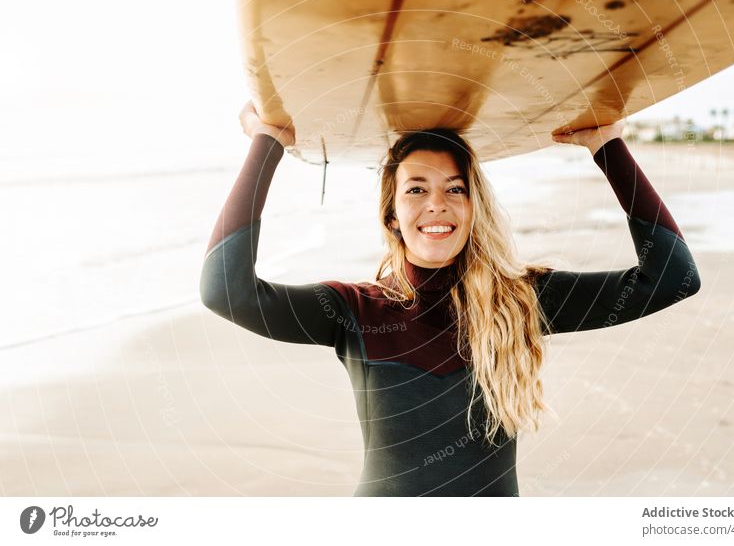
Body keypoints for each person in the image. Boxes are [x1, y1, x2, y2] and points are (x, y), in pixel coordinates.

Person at [199, 102, 701, 496]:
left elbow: (672, 278)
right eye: (416, 190)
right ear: (391, 214)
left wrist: (607, 146)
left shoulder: (520, 301)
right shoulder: (354, 311)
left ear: (472, 206)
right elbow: (226, 290)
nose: (437, 203)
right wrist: (267, 144)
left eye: (455, 189)